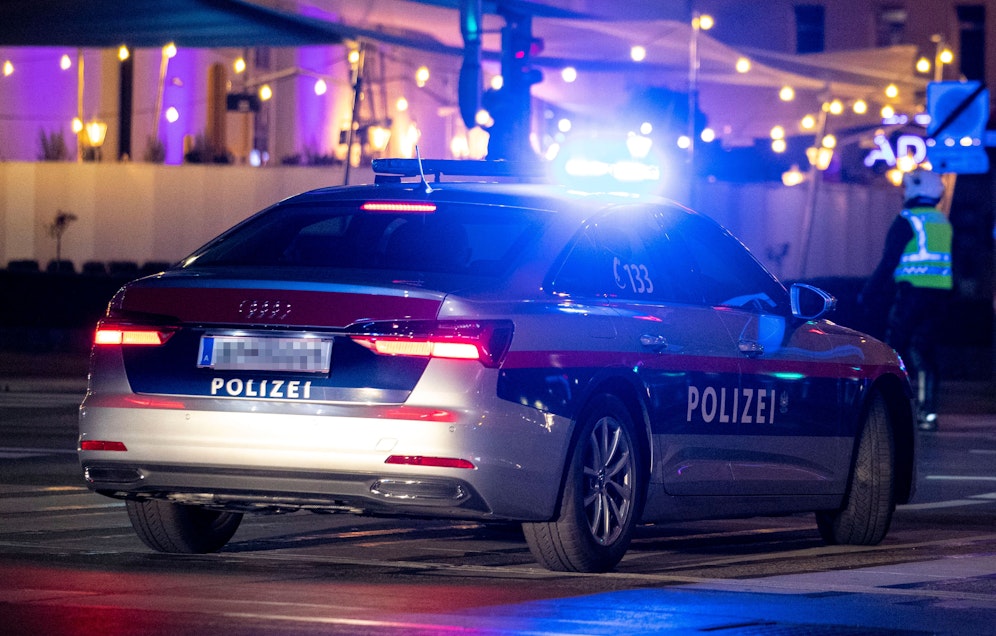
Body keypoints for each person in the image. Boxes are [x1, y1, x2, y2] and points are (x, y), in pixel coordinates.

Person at [862, 168, 953, 431]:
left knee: (894, 350)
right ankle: (928, 414)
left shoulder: (907, 219)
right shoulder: (942, 221)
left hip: (912, 293)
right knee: (924, 351)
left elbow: (889, 260)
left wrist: (869, 291)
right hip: (940, 296)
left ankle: (890, 409)